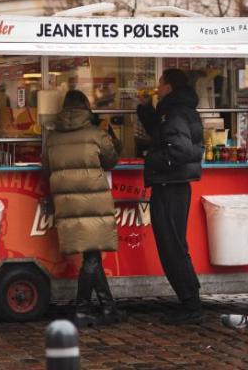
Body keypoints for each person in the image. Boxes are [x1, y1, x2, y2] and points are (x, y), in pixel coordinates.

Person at [42, 89, 123, 326]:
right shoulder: (96, 134)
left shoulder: (53, 137)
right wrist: (111, 133)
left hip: (66, 202)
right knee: (92, 257)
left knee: (92, 254)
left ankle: (109, 309)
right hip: (94, 202)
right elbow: (112, 160)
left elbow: (46, 167)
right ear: (86, 107)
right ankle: (82, 309)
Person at [137, 68, 205, 325]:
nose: (157, 86)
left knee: (172, 246)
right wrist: (145, 109)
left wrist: (151, 160)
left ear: (169, 86)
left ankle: (191, 305)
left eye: (160, 82)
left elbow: (180, 149)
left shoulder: (175, 112)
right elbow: (161, 132)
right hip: (175, 184)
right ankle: (190, 300)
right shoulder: (178, 109)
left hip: (170, 185)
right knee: (174, 245)